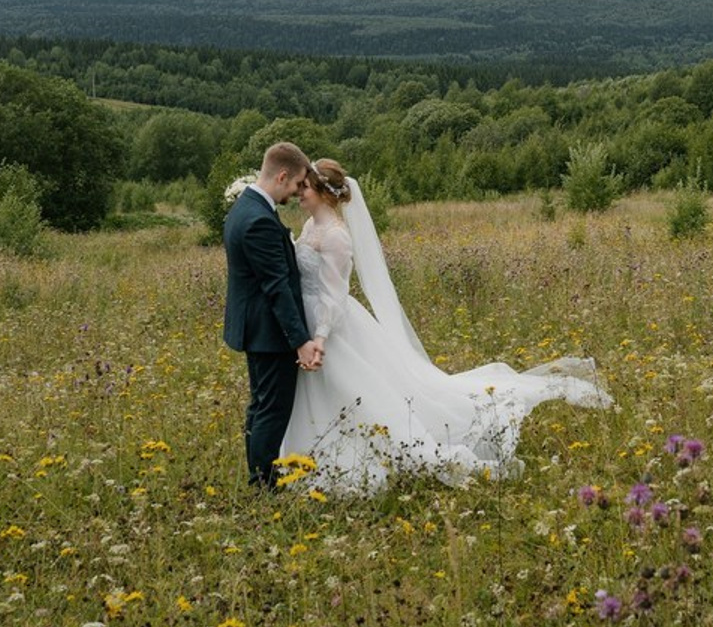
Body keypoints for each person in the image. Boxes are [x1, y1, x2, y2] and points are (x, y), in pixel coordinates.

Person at [278, 158, 612, 493]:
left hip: (330, 325)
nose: (298, 192)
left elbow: (335, 295)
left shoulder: (336, 236)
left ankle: (360, 460)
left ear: (323, 191)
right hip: (309, 317)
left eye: (305, 187)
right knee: (329, 392)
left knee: (352, 392)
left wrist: (320, 336)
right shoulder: (310, 227)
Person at [222, 142, 324, 489]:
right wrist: (301, 341)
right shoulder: (258, 220)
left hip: (256, 326)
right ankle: (264, 485)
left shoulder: (245, 208)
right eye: (296, 184)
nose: (297, 192)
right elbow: (276, 286)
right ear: (282, 175)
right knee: (272, 410)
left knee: (260, 405)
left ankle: (259, 476)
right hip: (269, 331)